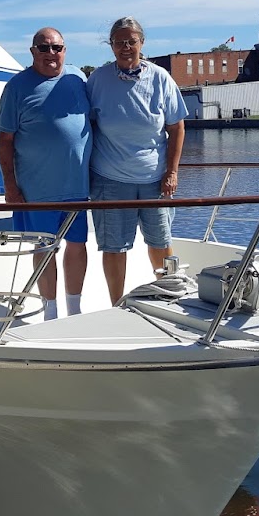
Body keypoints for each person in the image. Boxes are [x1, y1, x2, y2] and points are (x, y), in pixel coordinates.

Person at [86, 17, 187, 305]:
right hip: (110, 179)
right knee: (114, 247)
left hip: (155, 180)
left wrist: (172, 172)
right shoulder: (97, 80)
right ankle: (116, 304)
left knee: (161, 243)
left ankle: (168, 297)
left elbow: (177, 127)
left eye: (131, 41)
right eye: (119, 42)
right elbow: (86, 125)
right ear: (111, 45)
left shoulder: (161, 78)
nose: (126, 47)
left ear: (142, 43)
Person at [0, 27, 92, 320]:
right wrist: (10, 187)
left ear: (65, 50)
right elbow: (5, 141)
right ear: (33, 51)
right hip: (37, 190)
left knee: (78, 245)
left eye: (57, 47)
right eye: (44, 48)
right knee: (44, 248)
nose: (51, 53)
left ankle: (74, 311)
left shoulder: (78, 78)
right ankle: (50, 312)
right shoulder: (16, 87)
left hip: (77, 187)